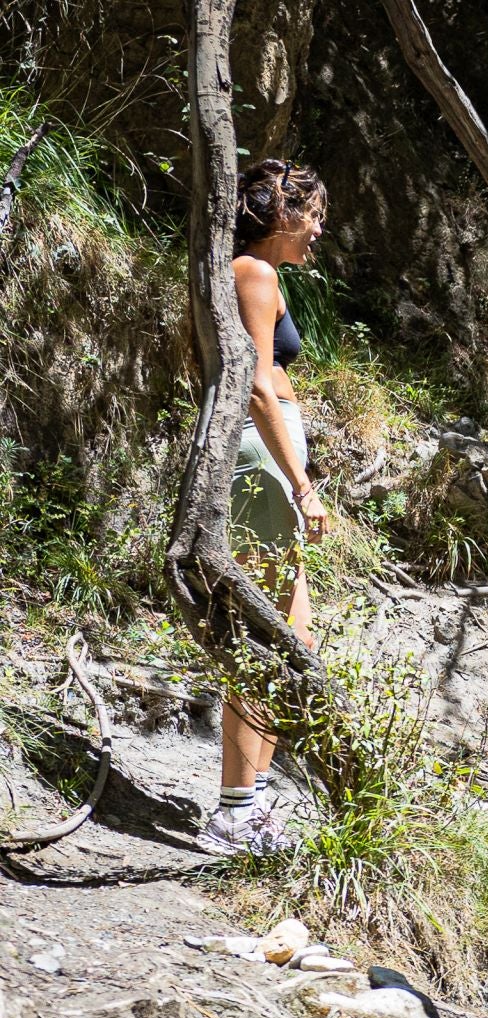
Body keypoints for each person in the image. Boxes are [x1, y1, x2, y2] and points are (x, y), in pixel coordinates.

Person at [202, 159, 332, 855]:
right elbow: (255, 386)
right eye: (312, 215)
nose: (318, 230)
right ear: (281, 214)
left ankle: (245, 805)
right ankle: (234, 811)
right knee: (269, 641)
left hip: (263, 457)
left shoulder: (243, 273)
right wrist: (301, 483)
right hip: (262, 458)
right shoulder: (253, 272)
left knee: (290, 643)